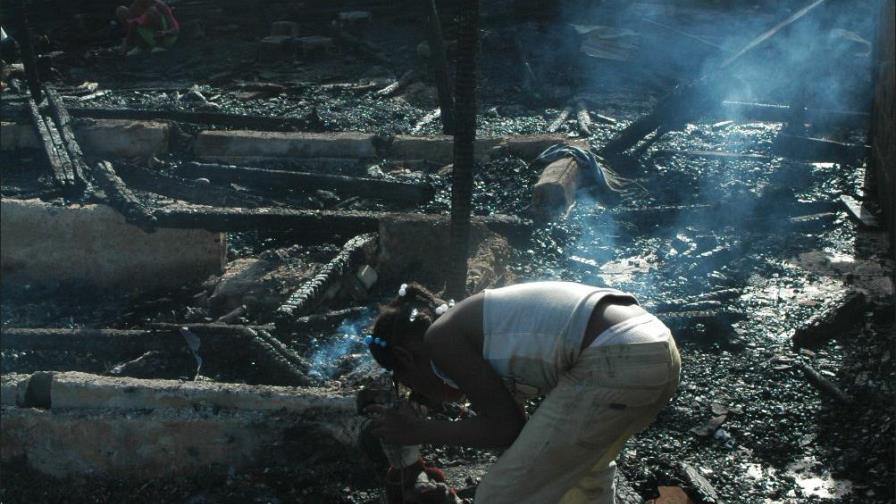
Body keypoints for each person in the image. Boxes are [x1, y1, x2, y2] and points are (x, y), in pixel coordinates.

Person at [364, 281, 681, 504]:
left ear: (406, 358)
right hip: (655, 347)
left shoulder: (440, 338)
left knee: (500, 496)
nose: (416, 391)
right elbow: (522, 438)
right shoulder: (477, 327)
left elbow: (506, 430)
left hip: (616, 359)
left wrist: (419, 430)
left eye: (404, 380)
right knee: (583, 476)